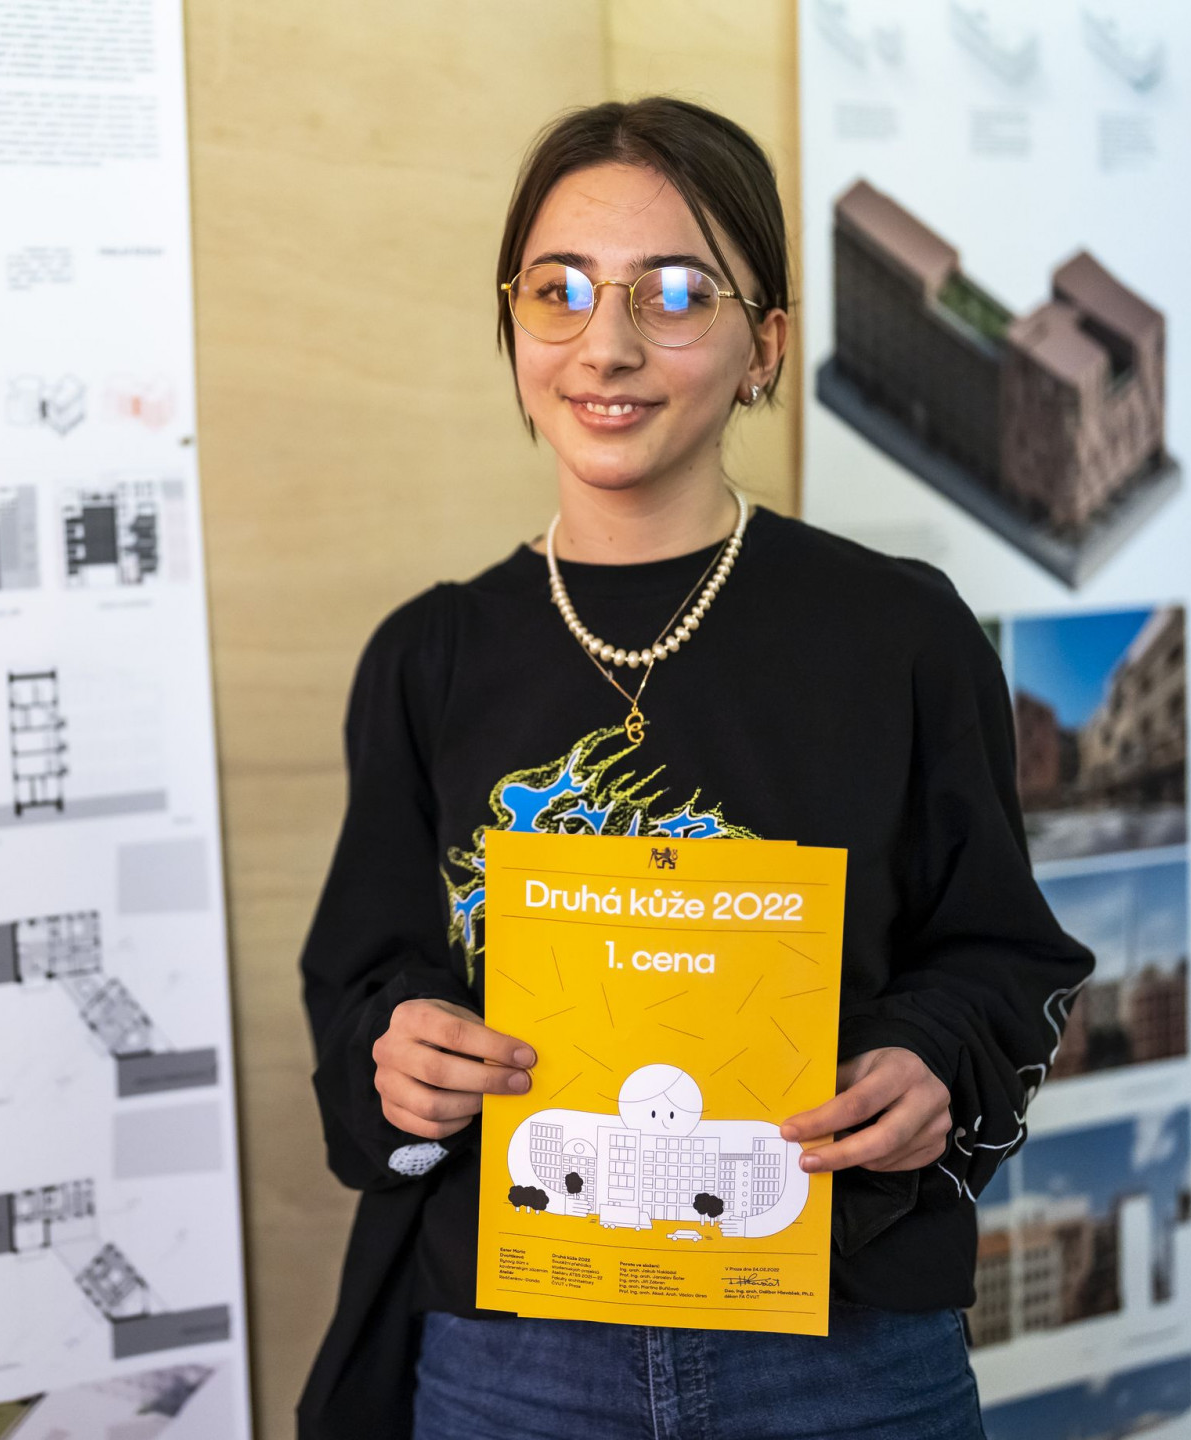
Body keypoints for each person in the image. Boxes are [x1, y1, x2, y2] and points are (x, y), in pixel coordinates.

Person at [295, 96, 1094, 1440]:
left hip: (840, 1356)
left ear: (764, 343)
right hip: (513, 1363)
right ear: (513, 324)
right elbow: (359, 991)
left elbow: (1004, 960)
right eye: (558, 290)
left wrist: (929, 1063)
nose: (605, 344)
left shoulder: (897, 635)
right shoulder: (430, 658)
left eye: (673, 292)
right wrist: (401, 1056)